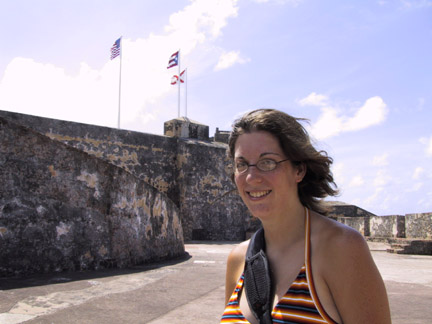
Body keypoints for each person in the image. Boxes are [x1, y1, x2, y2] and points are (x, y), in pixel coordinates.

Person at [220, 109, 391, 324]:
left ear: (298, 170)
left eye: (268, 162)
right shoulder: (238, 259)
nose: (252, 177)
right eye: (242, 165)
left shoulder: (340, 248)